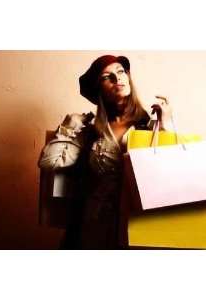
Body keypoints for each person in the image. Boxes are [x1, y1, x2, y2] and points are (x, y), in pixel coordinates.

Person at [38, 55, 172, 249]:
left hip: (138, 224)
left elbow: (169, 173)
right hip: (94, 225)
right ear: (98, 90)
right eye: (106, 77)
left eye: (120, 72)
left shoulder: (151, 126)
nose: (117, 79)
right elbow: (50, 162)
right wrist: (70, 126)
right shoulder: (91, 131)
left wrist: (165, 124)